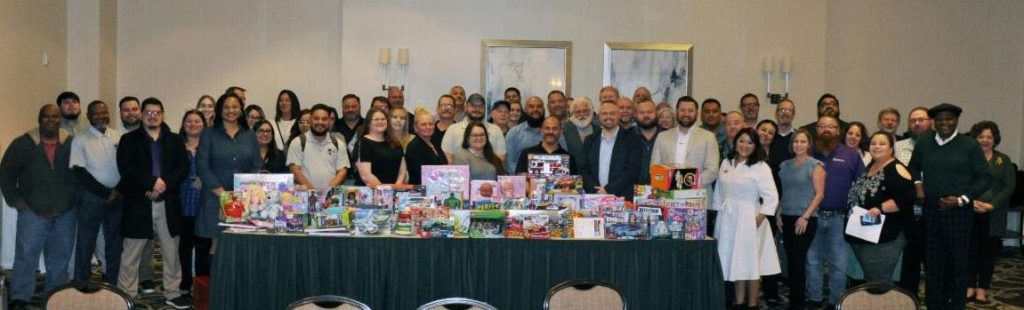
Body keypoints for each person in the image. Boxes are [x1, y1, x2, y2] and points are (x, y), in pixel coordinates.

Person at [910, 103, 991, 309]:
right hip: (931, 211)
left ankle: (956, 306)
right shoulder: (924, 143)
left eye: (949, 119)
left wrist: (962, 199)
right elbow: (914, 166)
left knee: (957, 265)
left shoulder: (969, 145)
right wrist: (918, 184)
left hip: (959, 213)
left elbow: (984, 178)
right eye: (940, 119)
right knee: (933, 265)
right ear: (934, 122)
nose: (945, 122)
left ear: (956, 121)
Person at [116, 97, 192, 308]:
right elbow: (126, 168)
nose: (152, 115)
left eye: (156, 112)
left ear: (163, 114)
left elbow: (182, 169)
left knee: (171, 252)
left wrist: (163, 184)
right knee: (131, 254)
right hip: (139, 203)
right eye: (148, 112)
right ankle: (127, 294)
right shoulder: (129, 140)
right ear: (141, 114)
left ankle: (173, 292)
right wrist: (150, 184)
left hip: (168, 203)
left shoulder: (175, 140)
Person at [0, 104, 76, 309]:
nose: (51, 120)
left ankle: (55, 297)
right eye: (46, 116)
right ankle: (20, 298)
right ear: (39, 119)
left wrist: (74, 201)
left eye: (55, 116)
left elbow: (82, 174)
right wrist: (16, 200)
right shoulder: (22, 144)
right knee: (26, 257)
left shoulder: (71, 143)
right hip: (32, 213)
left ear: (60, 119)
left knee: (60, 257)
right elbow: (5, 173)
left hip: (65, 213)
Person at [194, 93, 261, 281]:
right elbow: (202, 166)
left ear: (240, 109)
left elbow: (256, 164)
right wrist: (223, 194)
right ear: (219, 110)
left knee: (240, 242)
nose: (231, 111)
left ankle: (237, 286)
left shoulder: (249, 135)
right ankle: (217, 286)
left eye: (235, 107)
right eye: (226, 107)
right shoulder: (209, 134)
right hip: (215, 197)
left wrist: (245, 192)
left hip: (244, 199)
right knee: (217, 242)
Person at [712, 128, 780, 309]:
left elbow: (772, 196)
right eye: (741, 141)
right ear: (735, 142)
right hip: (727, 217)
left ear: (756, 145)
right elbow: (719, 191)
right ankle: (739, 302)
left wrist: (759, 218)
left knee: (751, 264)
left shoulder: (761, 167)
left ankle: (752, 304)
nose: (745, 146)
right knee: (736, 261)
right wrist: (718, 216)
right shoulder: (727, 162)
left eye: (750, 142)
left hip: (750, 218)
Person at [806, 115, 864, 309]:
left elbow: (862, 185)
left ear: (839, 131)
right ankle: (814, 299)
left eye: (831, 126)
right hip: (811, 217)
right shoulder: (807, 151)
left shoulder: (851, 154)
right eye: (822, 126)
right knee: (812, 261)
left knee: (839, 265)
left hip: (840, 218)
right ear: (816, 129)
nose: (826, 129)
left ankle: (835, 302)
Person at [845, 131, 914, 289]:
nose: (876, 146)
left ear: (891, 148)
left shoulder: (895, 168)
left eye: (882, 143)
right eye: (873, 143)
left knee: (879, 280)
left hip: (886, 236)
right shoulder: (871, 165)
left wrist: (880, 208)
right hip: (865, 230)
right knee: (871, 278)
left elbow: (907, 197)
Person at [68, 101, 122, 285]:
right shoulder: (80, 139)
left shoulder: (118, 136)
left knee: (115, 241)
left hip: (117, 197)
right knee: (86, 242)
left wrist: (117, 191)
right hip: (91, 197)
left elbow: (126, 166)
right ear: (89, 116)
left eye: (104, 112)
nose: (101, 116)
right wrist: (105, 192)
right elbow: (79, 171)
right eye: (96, 113)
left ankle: (112, 278)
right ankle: (81, 281)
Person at [966, 121, 1015, 303]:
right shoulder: (968, 158)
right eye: (981, 137)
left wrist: (992, 205)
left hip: (993, 213)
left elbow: (1009, 187)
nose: (985, 140)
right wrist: (970, 202)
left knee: (987, 253)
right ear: (975, 139)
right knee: (969, 251)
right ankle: (969, 286)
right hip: (970, 211)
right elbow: (961, 183)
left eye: (989, 137)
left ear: (995, 139)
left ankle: (982, 288)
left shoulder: (1003, 160)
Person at [775, 128, 824, 310]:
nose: (799, 144)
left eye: (803, 141)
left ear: (809, 144)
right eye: (796, 141)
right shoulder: (784, 165)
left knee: (798, 263)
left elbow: (819, 194)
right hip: (786, 218)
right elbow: (784, 192)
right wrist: (779, 211)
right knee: (790, 261)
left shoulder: (815, 165)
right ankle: (795, 300)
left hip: (804, 220)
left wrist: (805, 216)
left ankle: (797, 304)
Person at [893, 106, 931, 295]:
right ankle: (909, 297)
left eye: (921, 119)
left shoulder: (937, 147)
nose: (917, 123)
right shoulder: (898, 147)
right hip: (907, 210)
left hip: (933, 209)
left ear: (930, 122)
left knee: (933, 257)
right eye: (913, 120)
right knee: (910, 257)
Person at [650, 96, 720, 191]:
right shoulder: (662, 137)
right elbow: (654, 168)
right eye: (682, 110)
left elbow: (712, 171)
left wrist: (684, 184)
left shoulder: (709, 137)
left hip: (699, 196)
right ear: (676, 112)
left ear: (697, 114)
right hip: (668, 196)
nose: (686, 114)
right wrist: (670, 184)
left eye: (690, 111)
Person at [581, 101, 643, 200]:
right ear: (599, 117)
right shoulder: (589, 140)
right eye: (604, 113)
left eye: (612, 113)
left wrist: (608, 189)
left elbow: (632, 169)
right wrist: (597, 190)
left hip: (622, 198)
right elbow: (583, 168)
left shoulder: (633, 139)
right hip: (593, 197)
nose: (608, 116)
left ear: (619, 116)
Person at [288, 104, 351, 189]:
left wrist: (327, 191)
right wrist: (312, 191)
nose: (320, 122)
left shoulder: (338, 144)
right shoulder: (297, 142)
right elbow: (295, 170)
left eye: (324, 119)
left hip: (330, 197)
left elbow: (342, 172)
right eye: (316, 118)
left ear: (329, 121)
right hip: (304, 197)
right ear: (310, 119)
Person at [177, 110, 205, 294]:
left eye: (197, 121)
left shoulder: (210, 146)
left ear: (204, 125)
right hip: (182, 201)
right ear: (183, 124)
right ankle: (185, 282)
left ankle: (202, 283)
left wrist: (205, 180)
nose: (193, 124)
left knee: (203, 246)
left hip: (205, 203)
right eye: (189, 121)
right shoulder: (176, 145)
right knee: (184, 246)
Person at [755, 119, 782, 304]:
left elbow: (779, 186)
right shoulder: (746, 150)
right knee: (751, 251)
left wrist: (777, 208)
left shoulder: (777, 156)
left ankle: (771, 292)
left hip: (770, 210)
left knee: (768, 251)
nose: (766, 134)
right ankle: (750, 293)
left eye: (770, 132)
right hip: (750, 209)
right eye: (763, 130)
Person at [442, 93, 507, 165]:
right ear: (466, 107)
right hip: (460, 175)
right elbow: (448, 158)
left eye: (480, 106)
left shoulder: (496, 130)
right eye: (473, 106)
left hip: (488, 175)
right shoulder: (452, 129)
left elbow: (501, 159)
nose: (477, 109)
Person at [355, 108, 407, 186]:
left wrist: (396, 187)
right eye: (376, 119)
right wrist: (385, 191)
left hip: (395, 192)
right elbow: (366, 176)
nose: (380, 121)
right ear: (368, 123)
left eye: (383, 119)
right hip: (372, 193)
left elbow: (403, 172)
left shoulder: (395, 142)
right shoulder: (363, 143)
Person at [506, 96, 552, 174]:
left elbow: (563, 156)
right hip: (521, 181)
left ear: (544, 109)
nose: (535, 109)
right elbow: (509, 161)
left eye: (539, 106)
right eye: (531, 106)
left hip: (550, 180)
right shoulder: (513, 132)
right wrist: (524, 177)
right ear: (525, 110)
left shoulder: (553, 132)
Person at [405, 108, 448, 184]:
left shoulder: (435, 143)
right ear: (416, 127)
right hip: (421, 191)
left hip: (436, 188)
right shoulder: (414, 147)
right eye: (423, 124)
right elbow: (419, 174)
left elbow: (445, 166)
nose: (428, 127)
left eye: (431, 124)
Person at [563, 96, 598, 166]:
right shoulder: (565, 130)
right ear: (572, 114)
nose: (582, 114)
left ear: (591, 112)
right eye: (578, 112)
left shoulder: (598, 130)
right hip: (572, 172)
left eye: (585, 111)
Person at [634, 99, 661, 185]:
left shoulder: (666, 136)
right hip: (631, 191)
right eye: (642, 112)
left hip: (661, 190)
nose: (646, 115)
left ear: (656, 113)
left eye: (650, 112)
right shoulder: (627, 136)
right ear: (636, 115)